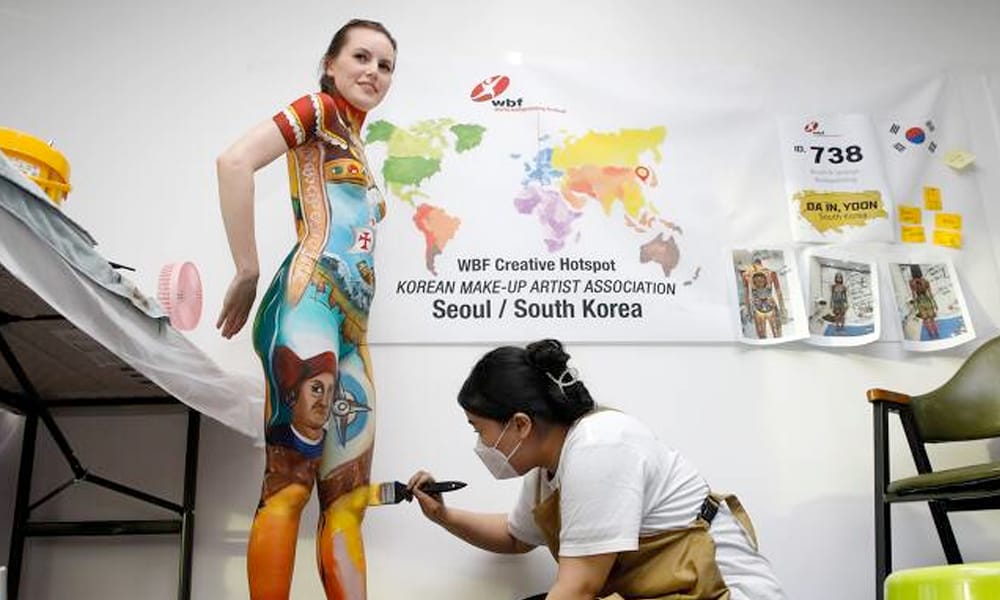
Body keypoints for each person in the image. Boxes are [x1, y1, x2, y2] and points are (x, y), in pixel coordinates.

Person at [214, 18, 396, 600]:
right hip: (306, 308)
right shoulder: (319, 110)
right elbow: (234, 162)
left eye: (385, 65)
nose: (373, 71)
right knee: (290, 486)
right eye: (361, 57)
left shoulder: (359, 146)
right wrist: (246, 269)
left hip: (350, 330)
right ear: (330, 64)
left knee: (348, 502)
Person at [408, 340, 786, 600]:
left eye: (479, 429)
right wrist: (443, 516)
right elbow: (515, 536)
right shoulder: (549, 466)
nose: (481, 443)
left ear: (520, 425)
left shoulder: (598, 446)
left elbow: (578, 590)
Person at [907, 265, 939, 339]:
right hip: (927, 301)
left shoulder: (911, 282)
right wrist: (935, 304)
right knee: (932, 319)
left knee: (925, 320)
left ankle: (931, 334)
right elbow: (930, 294)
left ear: (912, 273)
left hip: (920, 302)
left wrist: (915, 306)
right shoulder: (925, 281)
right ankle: (936, 333)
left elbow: (914, 295)